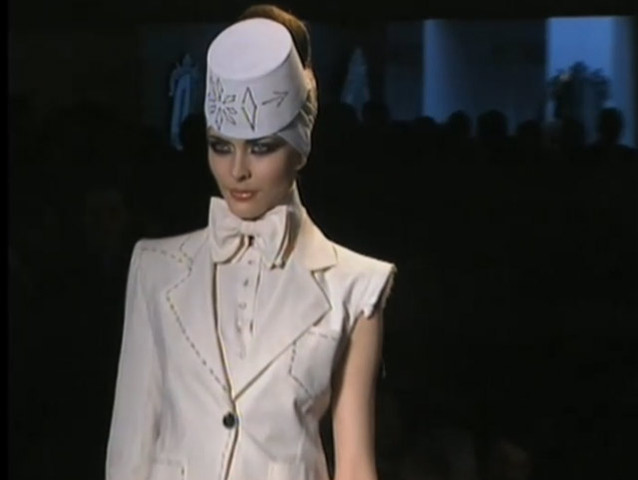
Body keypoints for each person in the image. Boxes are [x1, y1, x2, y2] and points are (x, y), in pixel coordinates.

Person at [105, 6, 396, 480]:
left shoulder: (355, 287)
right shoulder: (155, 268)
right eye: (220, 145)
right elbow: (129, 450)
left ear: (300, 145)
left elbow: (356, 465)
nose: (237, 170)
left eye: (261, 147)